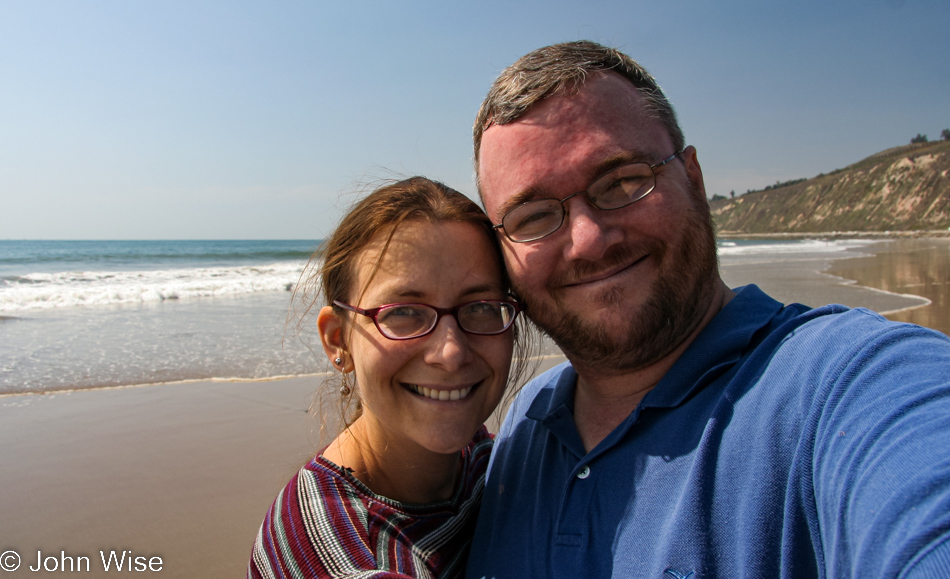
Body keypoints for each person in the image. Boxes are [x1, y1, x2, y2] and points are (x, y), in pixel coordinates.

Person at [466, 41, 950, 578]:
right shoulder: (525, 424)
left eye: (622, 182)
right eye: (533, 216)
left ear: (693, 179)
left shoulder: (848, 381)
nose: (589, 241)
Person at [248, 177, 533, 578]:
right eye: (402, 312)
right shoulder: (349, 559)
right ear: (338, 340)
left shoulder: (485, 460)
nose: (450, 353)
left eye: (480, 307)